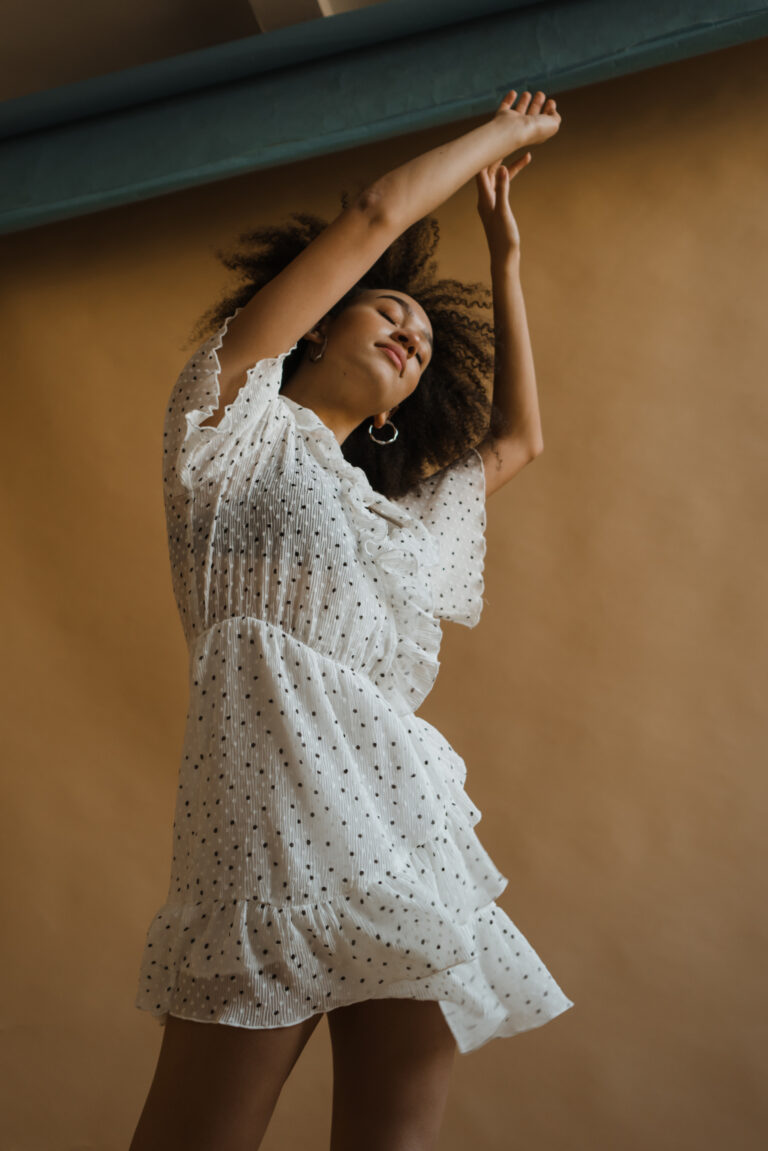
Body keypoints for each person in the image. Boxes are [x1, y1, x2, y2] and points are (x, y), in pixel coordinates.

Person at [129, 89, 573, 1151]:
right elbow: (375, 212)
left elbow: (516, 443)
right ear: (317, 323)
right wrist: (504, 135)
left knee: (399, 1121)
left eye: (423, 345)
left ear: (389, 413)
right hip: (267, 822)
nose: (412, 341)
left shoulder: (395, 522)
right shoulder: (228, 428)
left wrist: (505, 258)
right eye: (391, 316)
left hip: (398, 826)